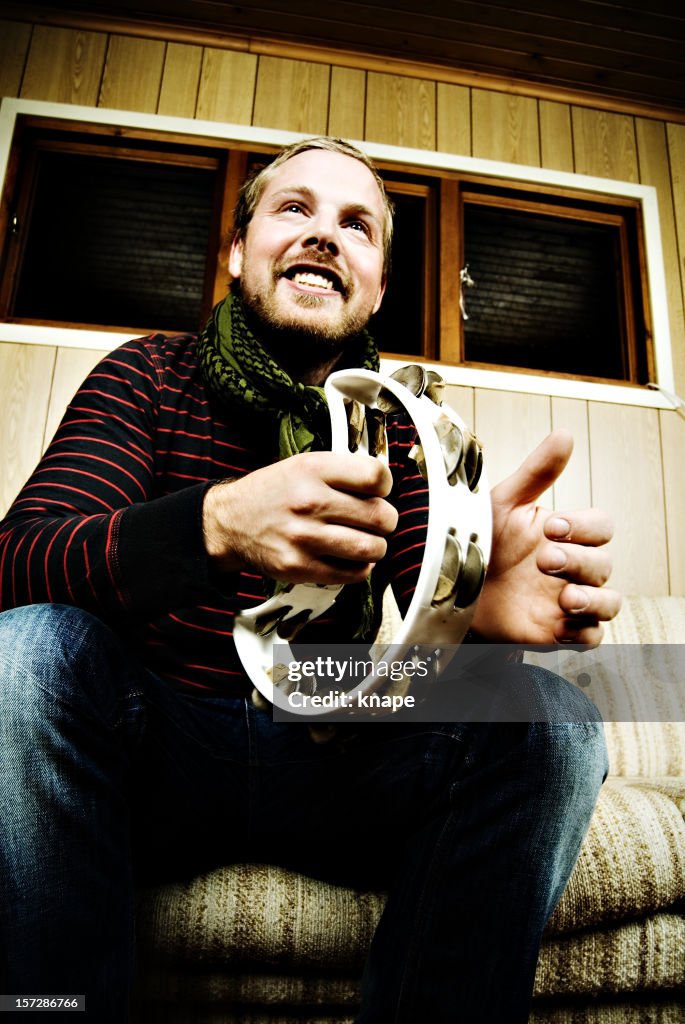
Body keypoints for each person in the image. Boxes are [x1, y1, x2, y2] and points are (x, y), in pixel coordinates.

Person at [0, 137, 621, 1023]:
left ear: (374, 284)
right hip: (154, 751)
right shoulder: (145, 375)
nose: (324, 234)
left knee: (550, 718)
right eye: (294, 209)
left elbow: (415, 680)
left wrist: (472, 611)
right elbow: (16, 565)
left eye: (355, 225)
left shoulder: (407, 438)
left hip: (343, 757)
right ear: (237, 250)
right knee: (21, 653)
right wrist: (214, 523)